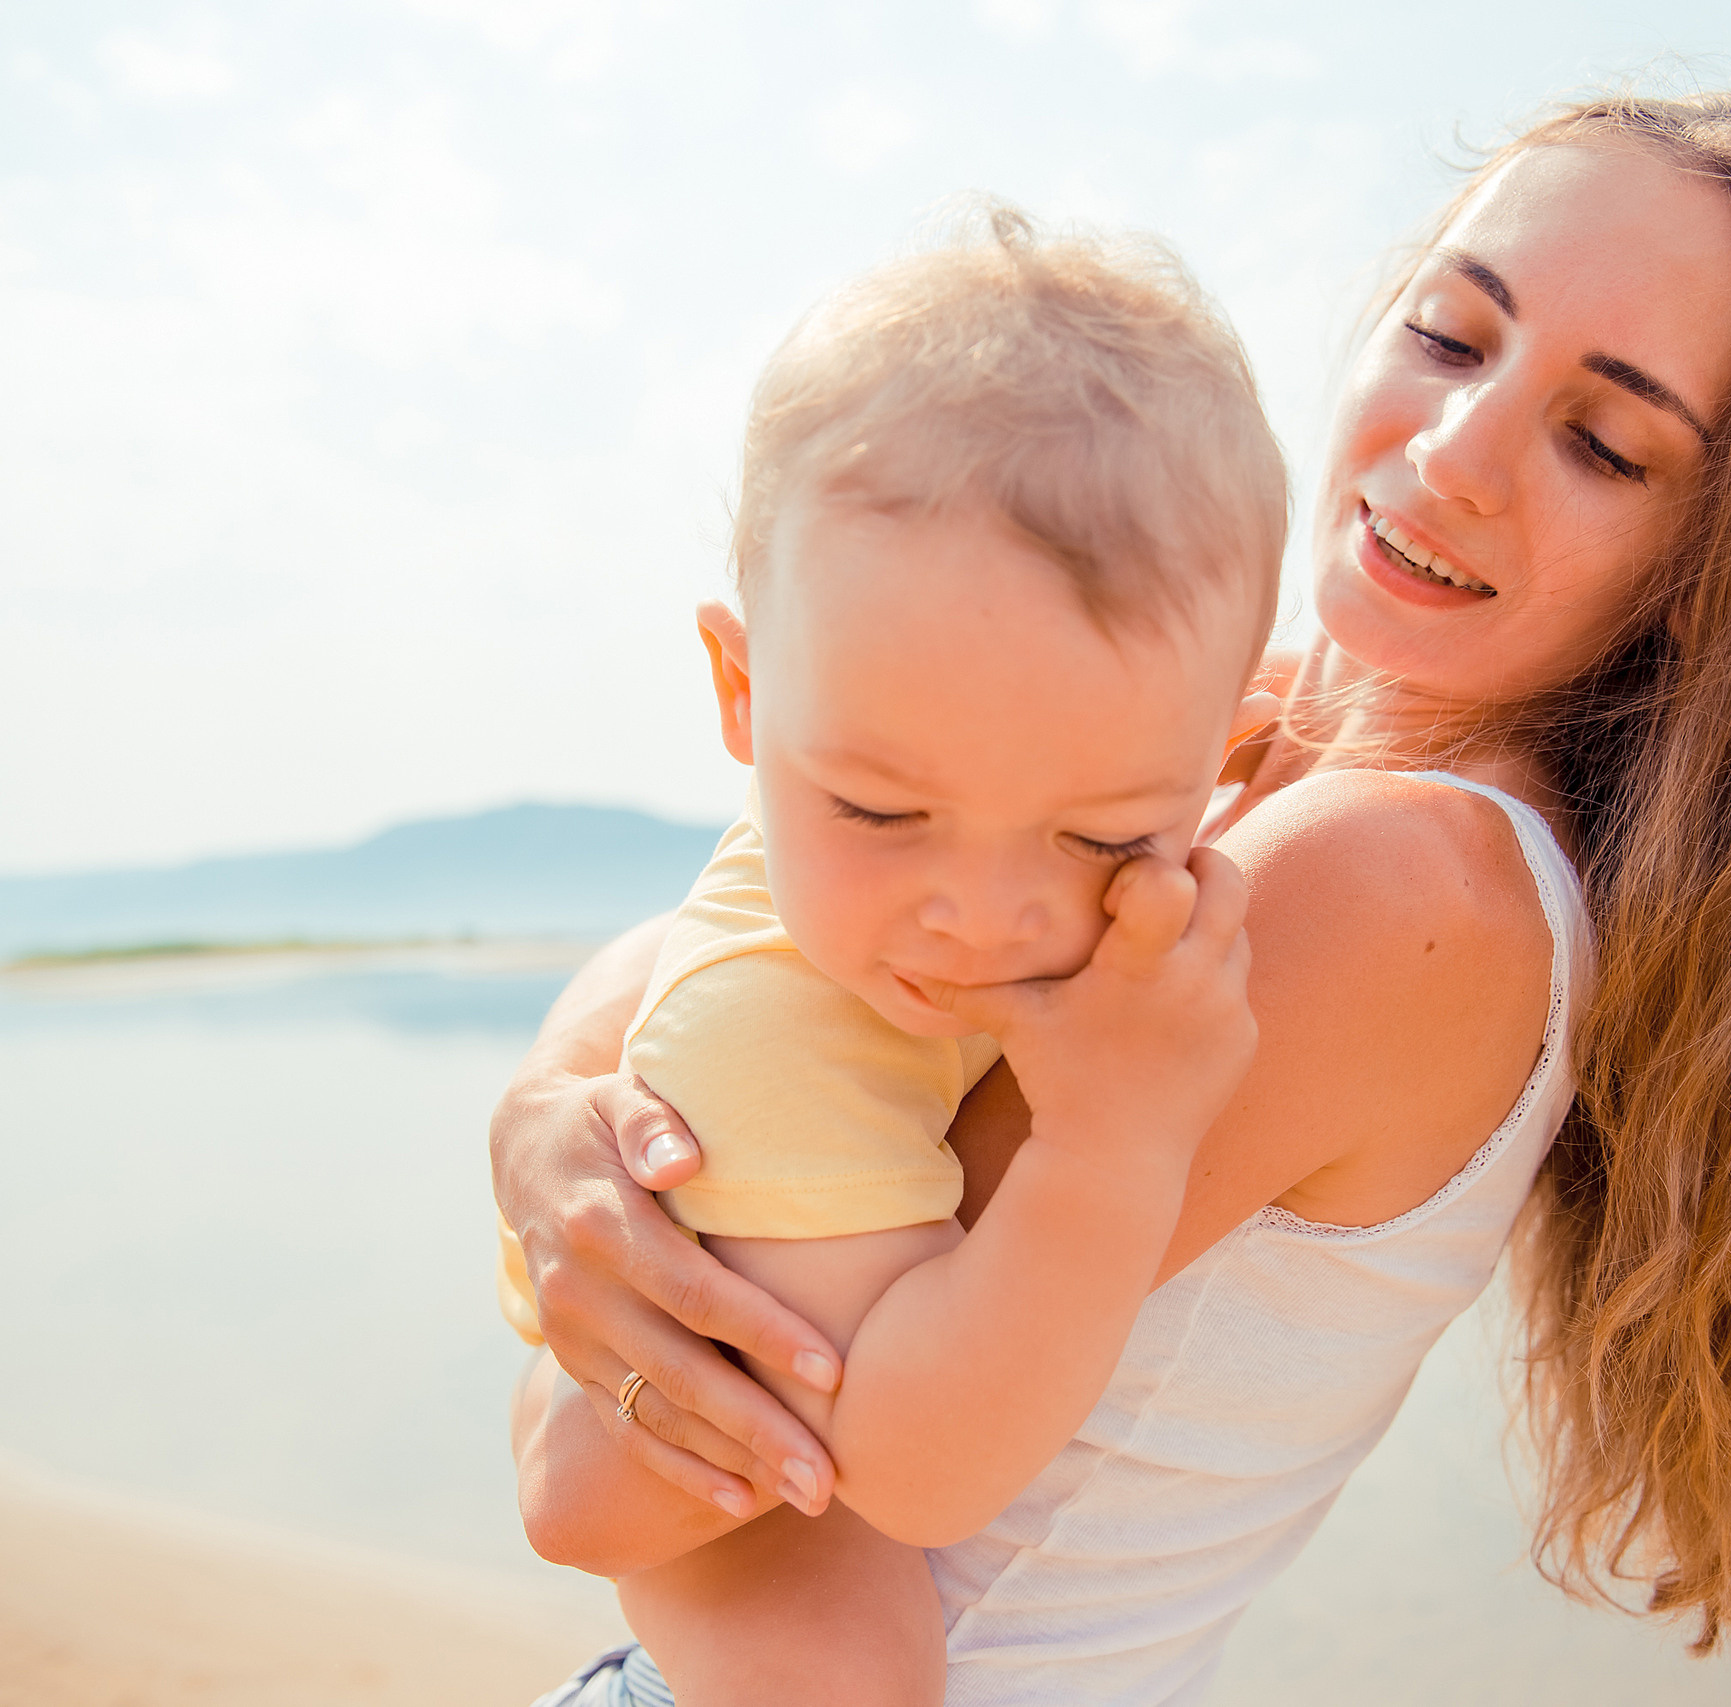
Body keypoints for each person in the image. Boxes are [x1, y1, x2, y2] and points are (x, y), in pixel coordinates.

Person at [493, 89, 1731, 1705]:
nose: (1456, 454)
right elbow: (718, 959)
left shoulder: (1392, 881)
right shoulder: (1197, 753)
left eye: (1603, 442)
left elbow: (637, 1436)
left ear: (1720, 567)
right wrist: (548, 1114)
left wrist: (567, 1150)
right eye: (1450, 334)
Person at [500, 210, 1290, 1702]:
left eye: (1103, 834)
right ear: (743, 691)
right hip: (731, 1509)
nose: (981, 914)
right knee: (847, 1675)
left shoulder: (981, 716)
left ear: (1223, 749)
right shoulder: (768, 1047)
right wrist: (1115, 1146)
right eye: (877, 810)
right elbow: (914, 1468)